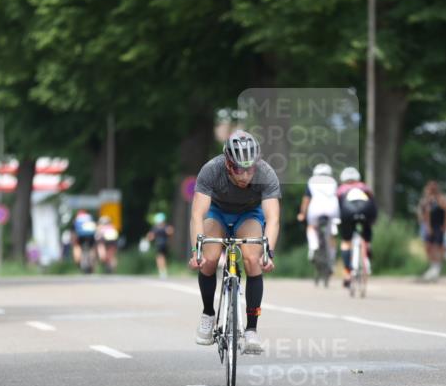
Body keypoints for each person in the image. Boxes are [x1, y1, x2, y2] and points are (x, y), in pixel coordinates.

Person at [188, 130, 279, 354]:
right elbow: (197, 215)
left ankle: (251, 330)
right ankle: (208, 313)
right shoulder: (211, 170)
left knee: (252, 259)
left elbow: (273, 218)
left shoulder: (266, 173)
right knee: (209, 260)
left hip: (249, 214)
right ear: (228, 164)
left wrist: (269, 252)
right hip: (217, 213)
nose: (245, 175)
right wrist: (196, 251)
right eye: (239, 168)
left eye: (250, 169)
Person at [336, 167, 377, 288]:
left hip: (347, 213)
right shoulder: (364, 187)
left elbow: (337, 207)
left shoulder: (341, 189)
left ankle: (348, 273)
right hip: (366, 211)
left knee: (346, 242)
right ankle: (367, 251)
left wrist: (338, 221)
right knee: (367, 234)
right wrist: (373, 219)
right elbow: (373, 204)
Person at [296, 163, 340, 262]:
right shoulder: (334, 181)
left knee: (311, 227)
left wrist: (302, 213)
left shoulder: (311, 181)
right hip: (332, 209)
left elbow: (306, 199)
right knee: (331, 235)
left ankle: (313, 247)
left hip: (315, 208)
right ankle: (332, 261)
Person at [417, 181, 446, 281]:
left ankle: (437, 267)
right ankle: (433, 265)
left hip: (439, 226)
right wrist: (428, 226)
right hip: (430, 226)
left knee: (437, 247)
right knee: (428, 247)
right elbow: (425, 214)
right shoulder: (427, 201)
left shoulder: (441, 199)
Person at [146, 212, 174, 279]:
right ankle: (163, 271)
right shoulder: (165, 226)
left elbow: (150, 236)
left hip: (160, 244)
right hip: (163, 244)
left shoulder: (156, 228)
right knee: (162, 257)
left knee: (160, 258)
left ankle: (162, 271)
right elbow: (171, 232)